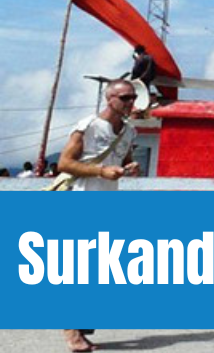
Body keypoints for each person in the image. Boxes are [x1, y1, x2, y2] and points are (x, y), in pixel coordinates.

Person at [58, 79, 142, 353]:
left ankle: (81, 324)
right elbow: (64, 163)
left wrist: (130, 166)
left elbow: (122, 158)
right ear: (111, 99)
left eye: (133, 98)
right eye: (126, 98)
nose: (131, 102)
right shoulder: (89, 126)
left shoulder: (129, 132)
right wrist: (100, 172)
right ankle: (72, 333)